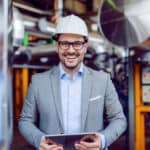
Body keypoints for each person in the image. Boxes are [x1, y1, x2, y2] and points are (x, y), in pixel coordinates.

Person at [19, 14, 127, 150]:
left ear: (85, 47)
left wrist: (102, 140)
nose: (71, 50)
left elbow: (119, 119)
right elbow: (25, 121)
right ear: (57, 46)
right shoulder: (38, 82)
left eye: (77, 44)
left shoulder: (102, 80)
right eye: (64, 43)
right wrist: (39, 140)